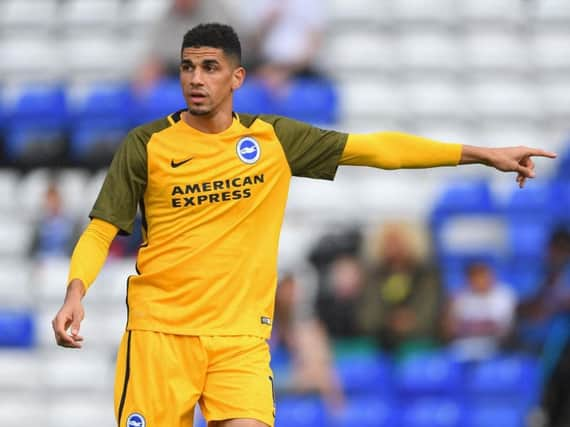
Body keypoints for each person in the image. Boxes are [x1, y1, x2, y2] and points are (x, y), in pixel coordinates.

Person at [51, 23, 557, 427]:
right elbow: (101, 229)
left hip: (240, 340)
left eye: (210, 67)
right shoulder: (147, 145)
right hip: (161, 335)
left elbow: (376, 150)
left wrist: (480, 154)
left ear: (237, 77)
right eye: (187, 67)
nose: (196, 79)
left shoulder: (272, 141)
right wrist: (77, 292)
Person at [358, 222, 443, 357]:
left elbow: (430, 312)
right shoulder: (374, 276)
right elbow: (367, 317)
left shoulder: (427, 275)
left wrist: (411, 323)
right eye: (389, 243)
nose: (394, 248)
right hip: (381, 344)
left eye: (398, 242)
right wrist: (389, 321)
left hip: (422, 345)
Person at [443, 262, 517, 361]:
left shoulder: (504, 295)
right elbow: (450, 329)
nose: (479, 281)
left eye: (482, 276)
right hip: (464, 345)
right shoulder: (460, 297)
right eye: (475, 277)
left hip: (494, 346)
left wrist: (472, 327)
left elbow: (505, 330)